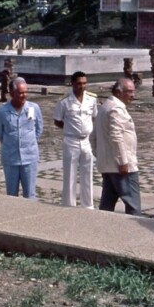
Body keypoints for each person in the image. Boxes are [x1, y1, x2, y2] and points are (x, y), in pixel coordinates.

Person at [92, 77, 141, 215]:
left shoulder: (105, 106)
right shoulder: (116, 109)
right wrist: (123, 161)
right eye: (129, 92)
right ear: (119, 92)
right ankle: (134, 233)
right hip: (122, 167)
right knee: (133, 205)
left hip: (108, 165)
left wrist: (101, 155)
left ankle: (104, 231)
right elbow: (116, 136)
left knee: (107, 205)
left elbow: (93, 137)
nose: (133, 95)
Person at [0, 77, 43, 199]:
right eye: (21, 93)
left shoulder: (33, 108)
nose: (24, 95)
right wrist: (13, 142)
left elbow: (39, 129)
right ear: (12, 93)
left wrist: (28, 142)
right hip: (11, 158)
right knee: (11, 194)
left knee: (30, 194)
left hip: (29, 157)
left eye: (26, 92)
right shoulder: (2, 111)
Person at [54, 71, 97, 209]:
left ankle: (88, 205)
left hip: (86, 141)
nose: (82, 86)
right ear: (72, 83)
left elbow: (94, 116)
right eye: (79, 83)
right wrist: (71, 129)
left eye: (84, 83)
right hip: (71, 141)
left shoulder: (92, 99)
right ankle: (69, 205)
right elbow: (58, 121)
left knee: (87, 174)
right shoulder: (64, 101)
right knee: (70, 175)